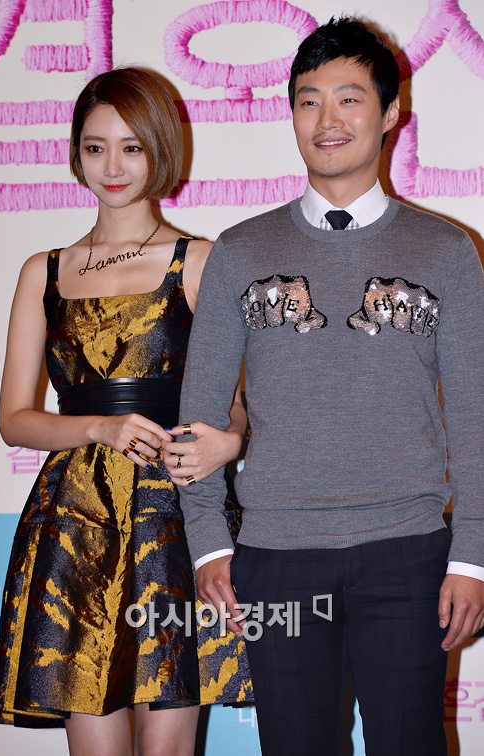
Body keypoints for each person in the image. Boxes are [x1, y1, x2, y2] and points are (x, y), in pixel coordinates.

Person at [178, 17, 484, 756]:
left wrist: (471, 555)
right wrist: (208, 545)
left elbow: (476, 417)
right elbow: (199, 414)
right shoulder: (240, 252)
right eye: (309, 100)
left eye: (350, 98)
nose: (328, 119)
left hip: (409, 550)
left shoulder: (446, 251)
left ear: (390, 113)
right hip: (276, 554)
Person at [0, 67, 251, 756]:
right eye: (96, 147)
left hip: (175, 516)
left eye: (131, 147)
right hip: (75, 519)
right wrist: (99, 428)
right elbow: (14, 418)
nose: (112, 166)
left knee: (167, 746)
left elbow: (238, 406)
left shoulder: (200, 262)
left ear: (161, 149)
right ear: (76, 154)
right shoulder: (44, 271)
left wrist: (228, 442)